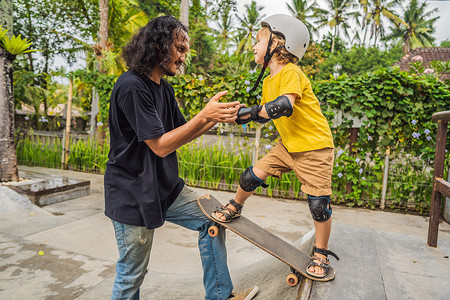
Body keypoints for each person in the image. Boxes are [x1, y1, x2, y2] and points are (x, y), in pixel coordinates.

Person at [104, 15, 258, 300]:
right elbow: (161, 146)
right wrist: (204, 115)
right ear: (159, 45)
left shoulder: (164, 87)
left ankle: (220, 296)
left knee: (212, 220)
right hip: (132, 193)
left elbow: (181, 133)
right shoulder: (131, 86)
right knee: (132, 274)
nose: (184, 57)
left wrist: (216, 117)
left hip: (166, 187)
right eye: (180, 48)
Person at [212, 14, 340, 278]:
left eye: (259, 41)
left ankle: (321, 252)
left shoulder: (291, 72)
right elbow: (264, 114)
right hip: (288, 146)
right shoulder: (269, 81)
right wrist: (241, 115)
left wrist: (251, 112)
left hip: (315, 147)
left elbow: (284, 106)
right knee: (251, 176)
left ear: (279, 44)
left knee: (319, 204)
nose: (254, 47)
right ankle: (235, 206)